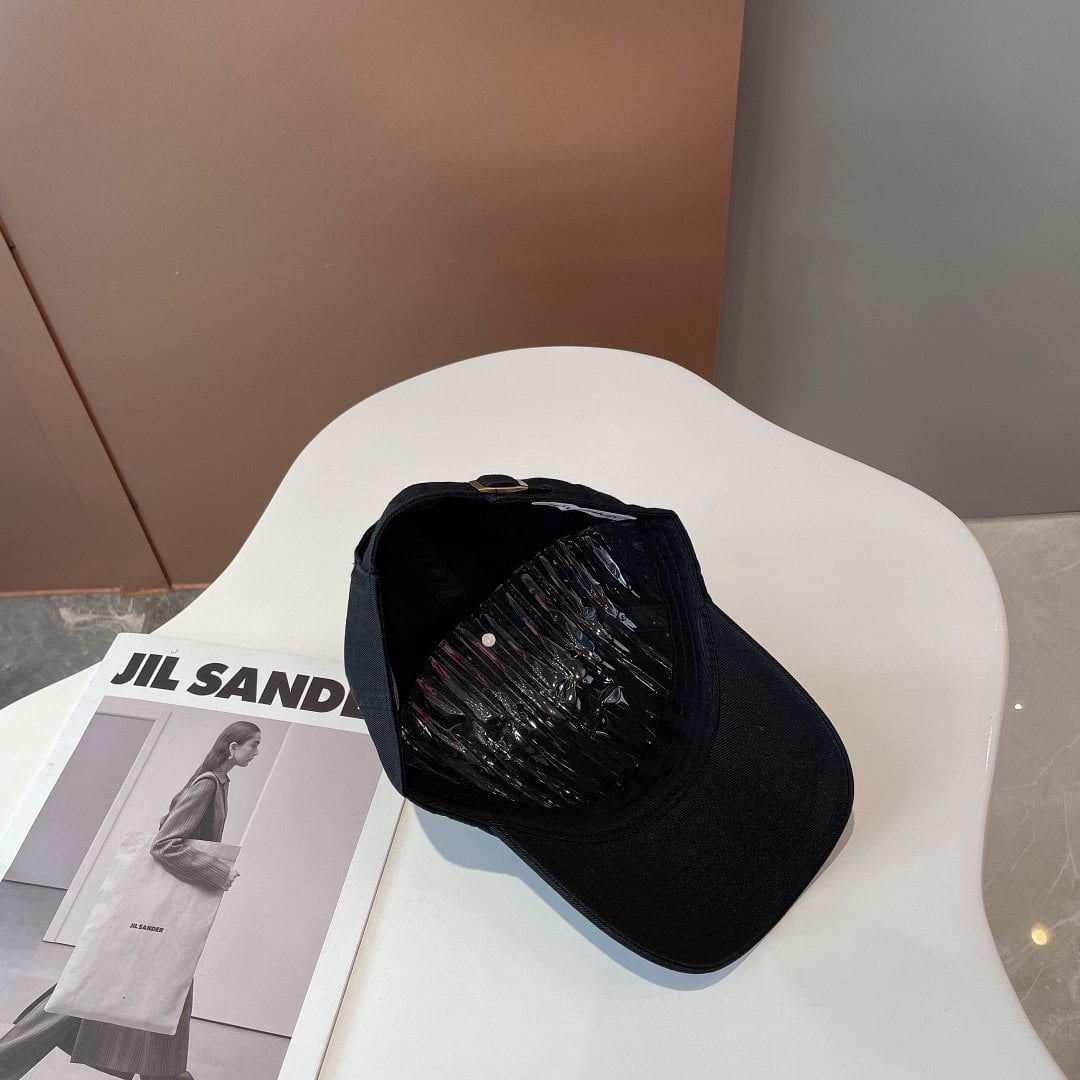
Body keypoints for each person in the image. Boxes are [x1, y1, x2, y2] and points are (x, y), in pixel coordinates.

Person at [0, 721, 262, 1080]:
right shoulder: (207, 785)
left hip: (168, 910)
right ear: (233, 747)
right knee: (99, 991)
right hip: (162, 911)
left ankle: (164, 1074)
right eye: (253, 744)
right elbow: (164, 844)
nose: (256, 752)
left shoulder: (217, 782)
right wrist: (217, 871)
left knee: (161, 988)